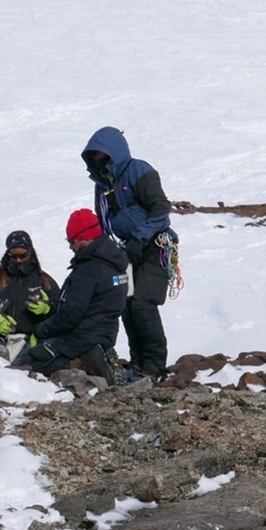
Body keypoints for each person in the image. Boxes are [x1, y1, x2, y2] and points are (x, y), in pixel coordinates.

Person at [81, 126, 177, 379]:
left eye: (102, 155)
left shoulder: (139, 171)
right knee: (126, 304)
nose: (98, 160)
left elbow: (160, 209)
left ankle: (155, 365)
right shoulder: (101, 185)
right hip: (125, 250)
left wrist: (139, 236)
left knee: (144, 303)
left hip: (155, 245)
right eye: (94, 156)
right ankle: (138, 361)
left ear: (115, 152)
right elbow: (103, 220)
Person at [12, 209, 128, 379]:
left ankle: (82, 364)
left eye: (72, 241)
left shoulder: (88, 270)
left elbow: (71, 315)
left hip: (78, 340)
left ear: (85, 239)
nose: (70, 246)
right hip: (104, 334)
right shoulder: (113, 262)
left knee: (25, 364)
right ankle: (98, 360)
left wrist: (40, 331)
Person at [0, 230, 62, 345]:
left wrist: (48, 309)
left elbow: (62, 312)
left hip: (31, 342)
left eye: (23, 256)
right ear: (7, 254)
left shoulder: (45, 281)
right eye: (14, 256)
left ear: (30, 253)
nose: (18, 260)